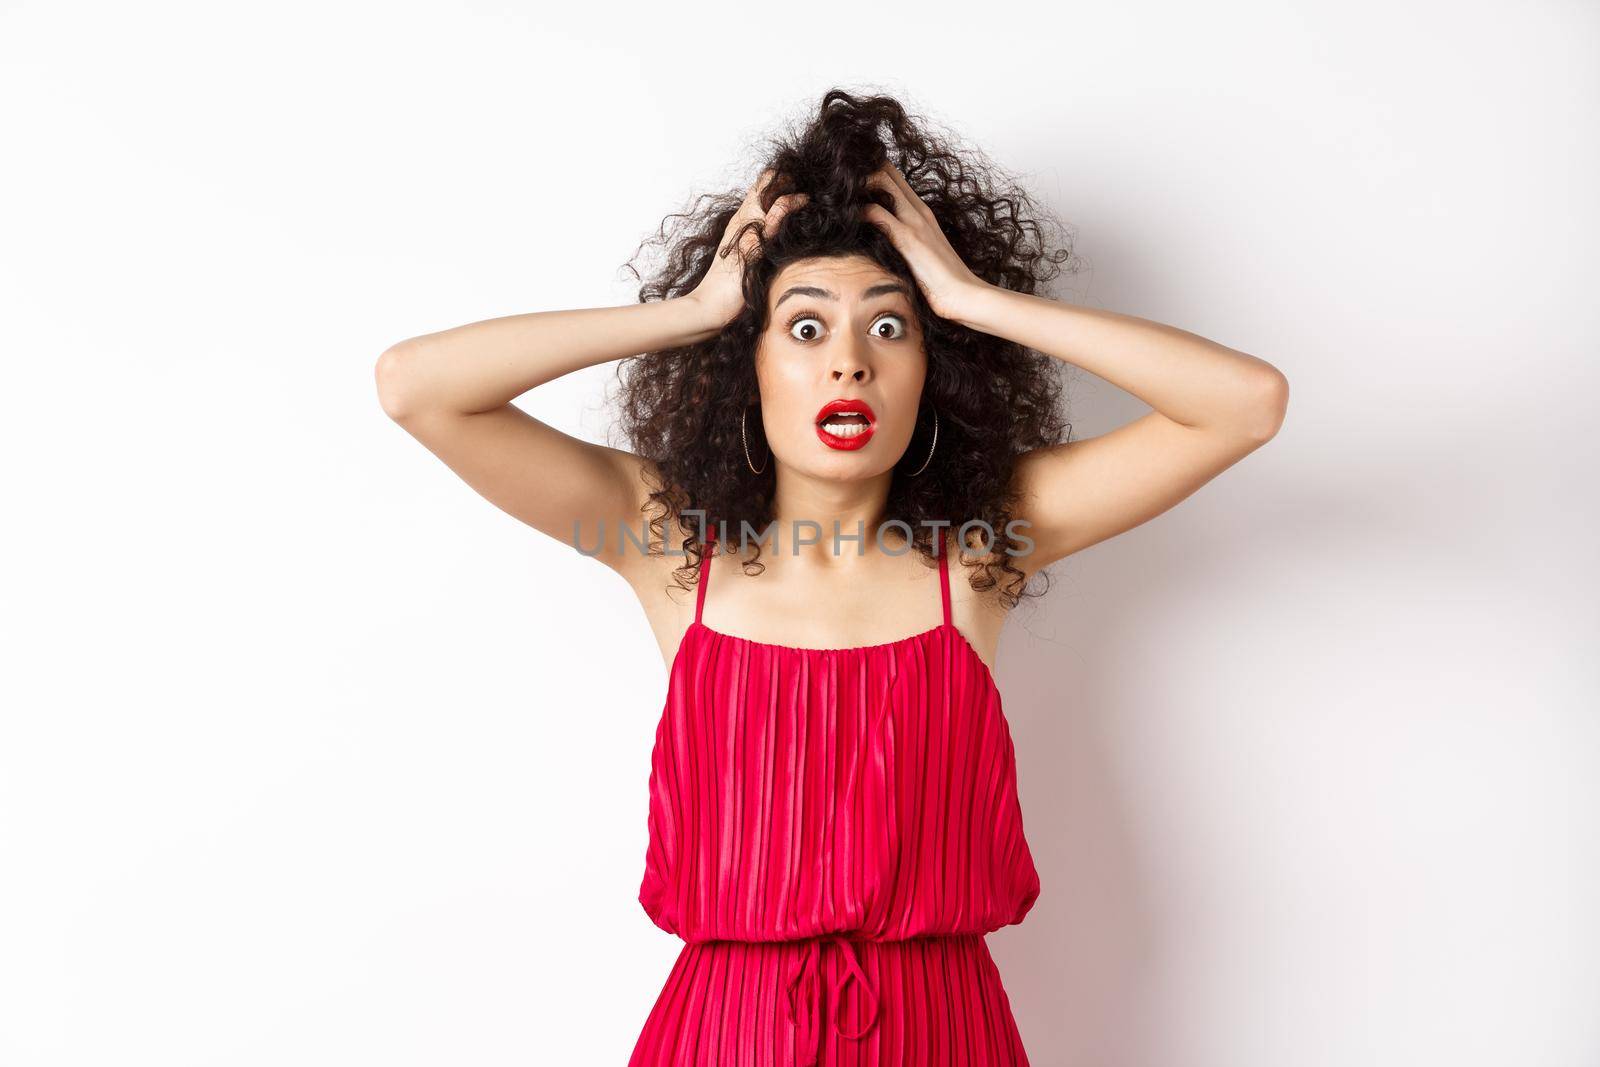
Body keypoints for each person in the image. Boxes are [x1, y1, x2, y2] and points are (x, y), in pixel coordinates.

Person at [374, 89, 1287, 1066]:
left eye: (889, 329)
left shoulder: (978, 552)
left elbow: (1244, 404)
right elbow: (416, 387)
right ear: (745, 365)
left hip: (944, 1035)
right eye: (804, 329)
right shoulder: (671, 545)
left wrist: (971, 299)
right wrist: (693, 312)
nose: (848, 362)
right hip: (727, 1034)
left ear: (935, 371)